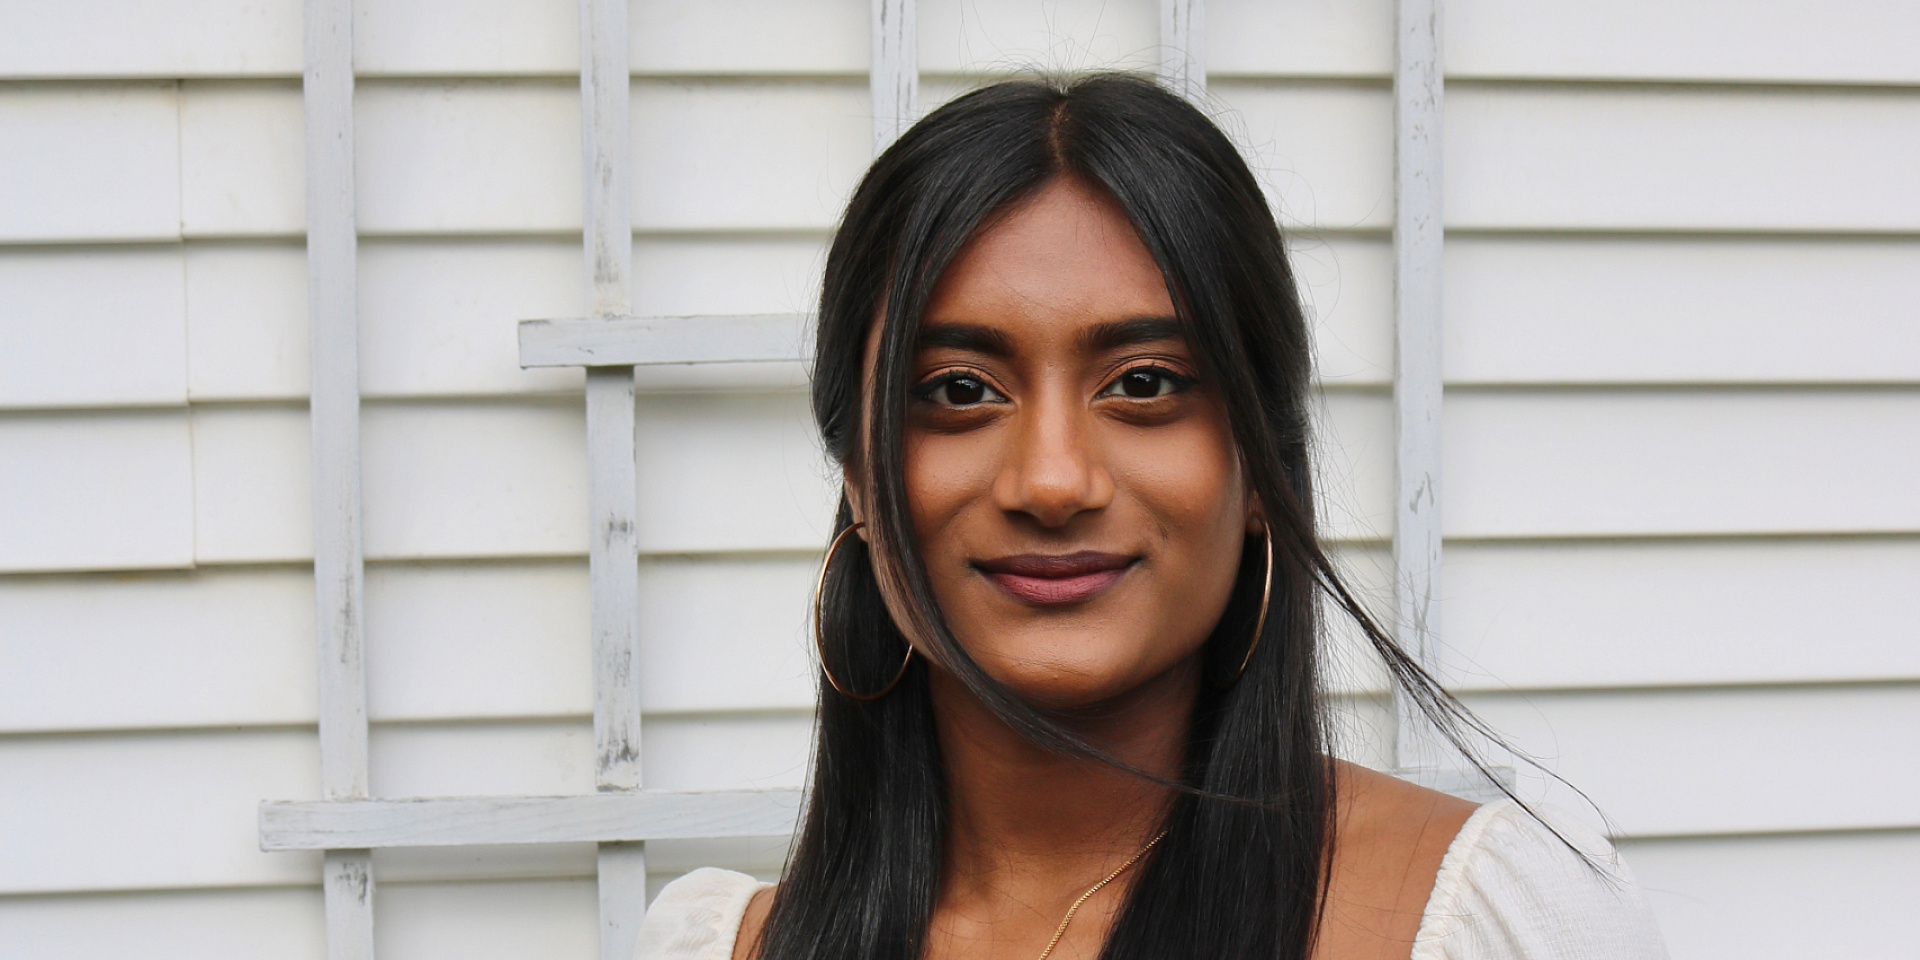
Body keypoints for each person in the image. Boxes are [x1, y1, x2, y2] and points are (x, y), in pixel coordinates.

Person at [636, 74, 1667, 960]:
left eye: (1143, 383)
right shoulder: (723, 944)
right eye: (958, 391)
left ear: (1260, 467)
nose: (1051, 482)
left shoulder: (1486, 919)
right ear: (858, 480)